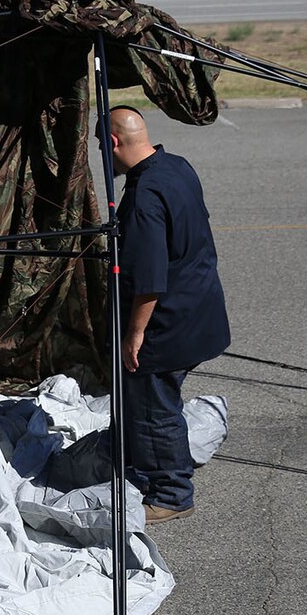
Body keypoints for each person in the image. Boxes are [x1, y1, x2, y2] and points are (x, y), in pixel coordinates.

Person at [106, 105, 230, 524]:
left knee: (153, 410)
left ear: (114, 142)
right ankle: (151, 466)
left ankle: (172, 494)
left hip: (167, 322)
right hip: (200, 309)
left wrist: (134, 334)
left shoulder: (143, 197)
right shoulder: (175, 166)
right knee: (158, 405)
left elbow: (149, 279)